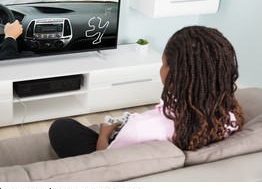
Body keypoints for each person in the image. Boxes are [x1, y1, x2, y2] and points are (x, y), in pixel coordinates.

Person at [48, 25, 244, 158]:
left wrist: (104, 135)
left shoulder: (141, 128)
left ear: (174, 75)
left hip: (119, 158)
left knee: (62, 128)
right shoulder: (230, 115)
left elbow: (105, 159)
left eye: (163, 63)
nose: (161, 68)